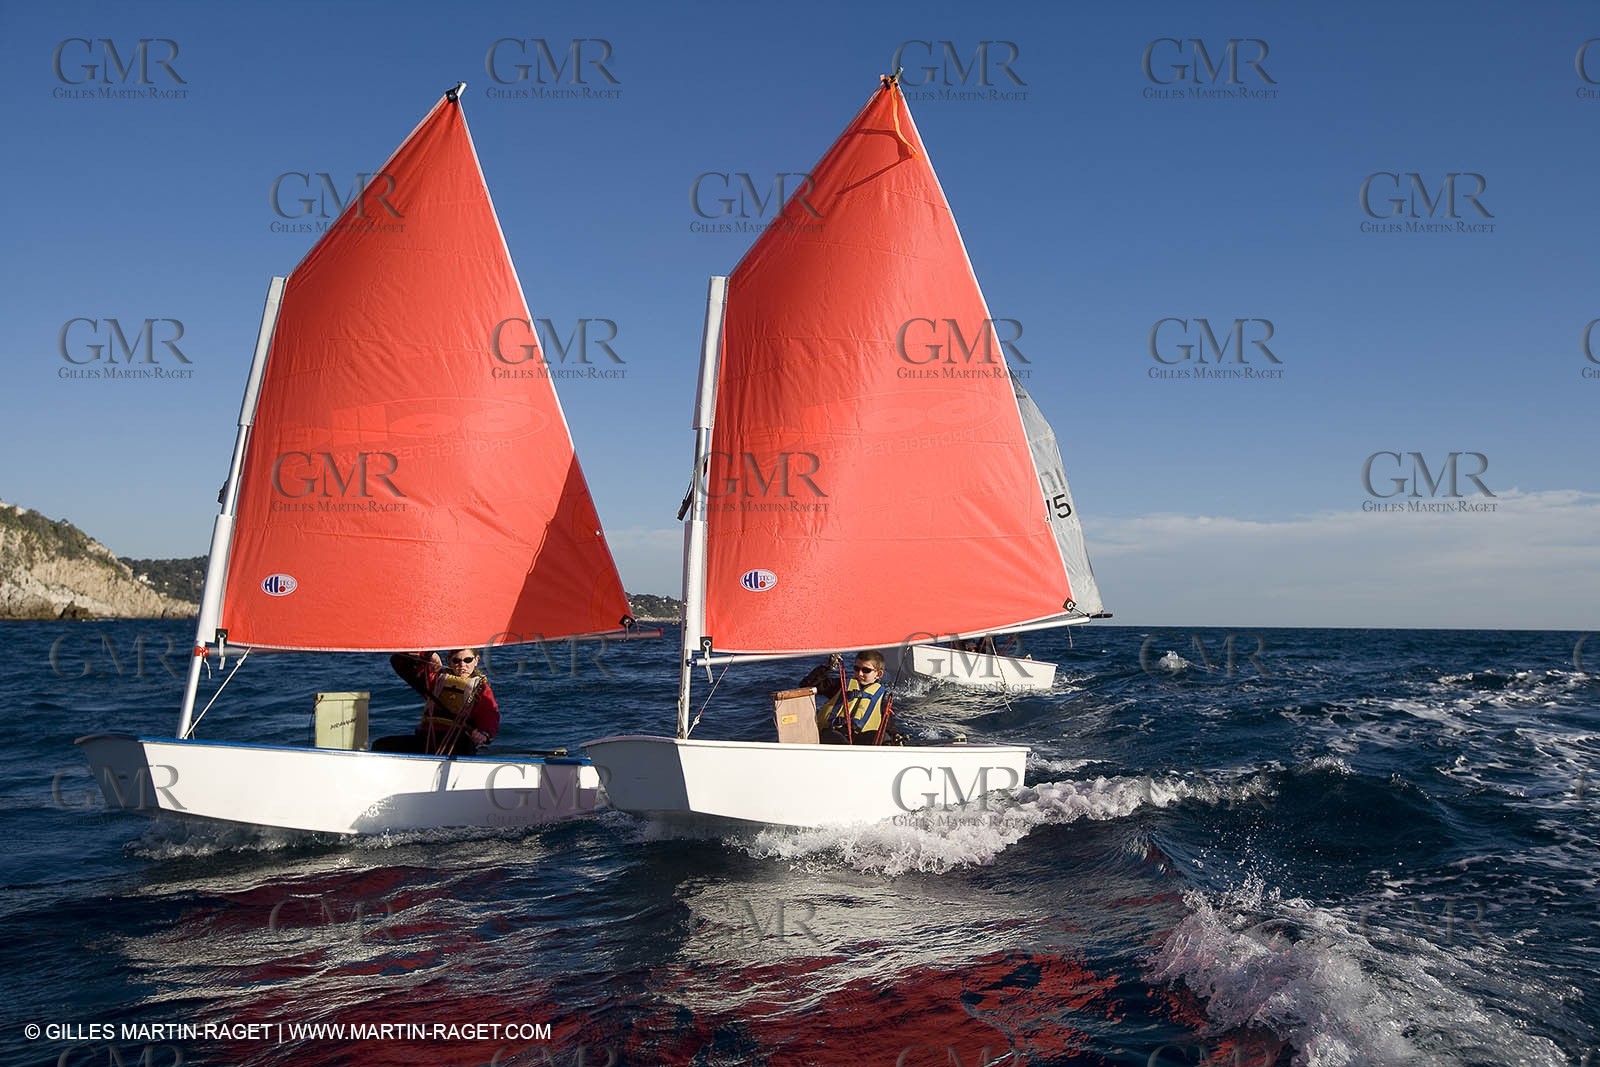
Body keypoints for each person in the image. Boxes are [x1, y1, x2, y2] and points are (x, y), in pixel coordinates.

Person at [372, 649, 500, 756]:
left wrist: (484, 733)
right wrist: (428, 654)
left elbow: (489, 714)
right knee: (381, 745)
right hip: (427, 738)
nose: (462, 665)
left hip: (458, 741)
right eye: (456, 660)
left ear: (476, 660)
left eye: (468, 660)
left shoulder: (480, 688)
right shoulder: (435, 679)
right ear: (448, 661)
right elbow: (398, 660)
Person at [800, 649, 891, 745]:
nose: (860, 673)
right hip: (833, 734)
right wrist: (828, 667)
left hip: (860, 740)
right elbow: (807, 684)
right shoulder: (841, 685)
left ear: (879, 674)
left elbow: (888, 726)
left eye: (866, 670)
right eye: (856, 668)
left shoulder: (883, 697)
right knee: (837, 738)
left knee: (884, 738)